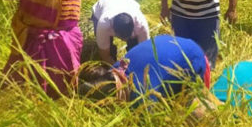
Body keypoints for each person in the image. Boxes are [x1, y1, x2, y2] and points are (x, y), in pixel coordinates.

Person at [76, 35, 210, 103]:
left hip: (194, 59)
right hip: (174, 43)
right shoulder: (117, 68)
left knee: (190, 110)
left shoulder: (142, 94)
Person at [90, 0, 150, 65]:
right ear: (113, 29)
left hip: (127, 1)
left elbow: (144, 51)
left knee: (135, 47)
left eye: (128, 37)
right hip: (102, 5)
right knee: (109, 51)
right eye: (121, 38)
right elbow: (105, 54)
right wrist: (116, 69)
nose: (123, 40)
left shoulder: (141, 24)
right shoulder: (103, 25)